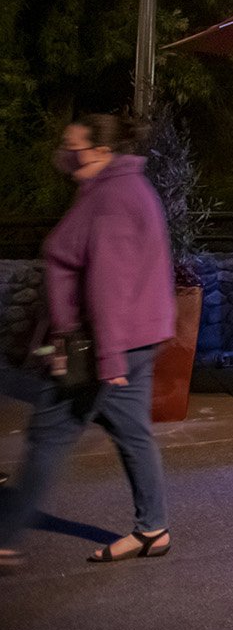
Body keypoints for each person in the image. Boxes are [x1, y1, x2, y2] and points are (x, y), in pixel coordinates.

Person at [0, 116, 176, 567]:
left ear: (99, 151)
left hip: (100, 347)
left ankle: (6, 535)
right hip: (132, 341)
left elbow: (108, 284)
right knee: (133, 434)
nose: (65, 151)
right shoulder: (119, 187)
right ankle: (152, 529)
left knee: (50, 437)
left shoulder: (113, 198)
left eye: (72, 145)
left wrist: (109, 356)